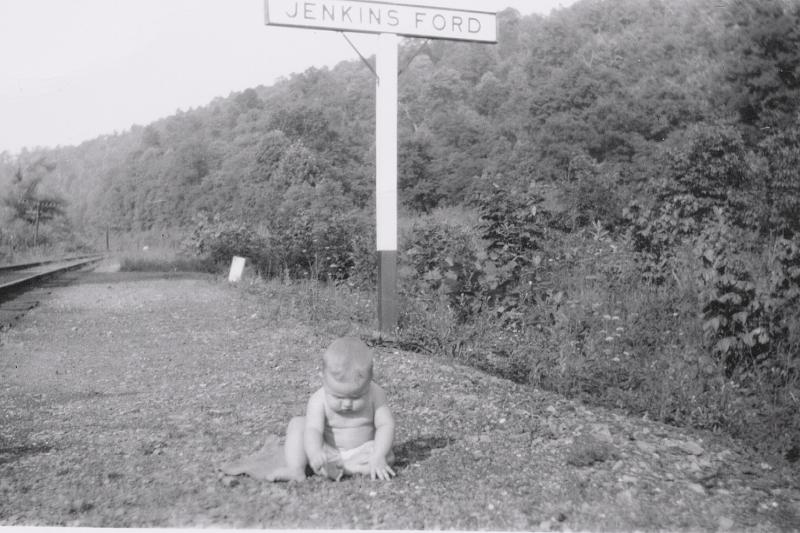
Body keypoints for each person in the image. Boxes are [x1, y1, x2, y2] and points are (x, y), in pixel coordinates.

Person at [270, 337, 396, 482]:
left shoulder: (376, 394)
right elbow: (313, 430)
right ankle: (296, 469)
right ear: (323, 379)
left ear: (370, 380)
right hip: (328, 452)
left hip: (363, 452)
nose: (347, 404)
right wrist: (315, 452)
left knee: (386, 453)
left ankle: (350, 468)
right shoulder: (318, 399)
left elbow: (385, 425)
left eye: (356, 397)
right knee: (297, 424)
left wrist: (378, 455)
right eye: (338, 397)